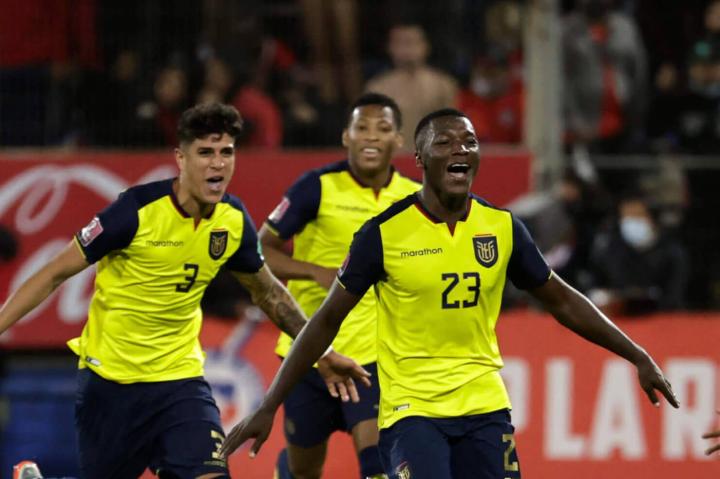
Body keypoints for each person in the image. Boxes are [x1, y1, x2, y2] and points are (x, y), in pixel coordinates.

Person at [220, 108, 680, 479]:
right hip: (412, 411)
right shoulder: (382, 234)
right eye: (444, 142)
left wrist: (637, 354)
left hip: (485, 406)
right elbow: (325, 321)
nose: (460, 149)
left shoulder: (502, 227)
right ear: (420, 159)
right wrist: (268, 404)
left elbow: (562, 299)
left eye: (469, 142)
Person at [0, 103, 367, 479]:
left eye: (226, 152)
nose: (217, 164)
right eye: (205, 152)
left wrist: (322, 353)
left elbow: (270, 294)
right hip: (111, 383)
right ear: (181, 158)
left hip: (180, 382)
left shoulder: (232, 221)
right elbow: (53, 274)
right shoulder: (135, 211)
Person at [259, 92, 419, 479]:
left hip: (376, 357)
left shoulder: (413, 198)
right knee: (304, 470)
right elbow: (260, 250)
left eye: (382, 128)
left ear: (398, 139)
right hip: (310, 350)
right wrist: (313, 271)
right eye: (361, 127)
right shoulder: (316, 187)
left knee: (378, 466)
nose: (371, 136)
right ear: (346, 136)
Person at [365, 23, 457, 149]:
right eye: (399, 43)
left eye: (411, 42)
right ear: (390, 47)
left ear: (425, 46)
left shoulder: (444, 85)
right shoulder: (377, 88)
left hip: (432, 156)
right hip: (392, 157)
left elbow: (453, 130)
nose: (406, 50)